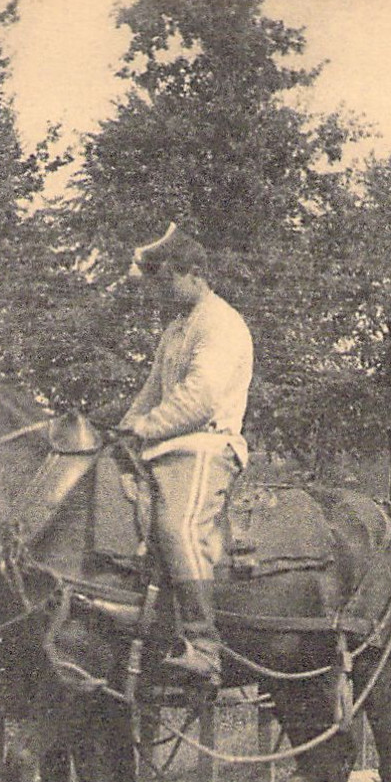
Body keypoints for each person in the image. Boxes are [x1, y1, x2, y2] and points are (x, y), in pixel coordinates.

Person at [116, 223, 254, 689]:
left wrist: (146, 428)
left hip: (205, 447)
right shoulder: (176, 329)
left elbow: (201, 398)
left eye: (166, 280)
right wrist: (122, 431)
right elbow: (151, 393)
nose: (159, 291)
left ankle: (204, 645)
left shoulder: (221, 323)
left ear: (195, 274)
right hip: (164, 448)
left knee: (177, 526)